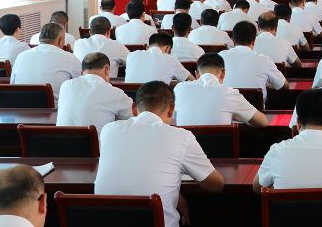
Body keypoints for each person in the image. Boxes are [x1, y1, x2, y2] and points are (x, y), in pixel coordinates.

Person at [95, 81, 225, 227]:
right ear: (171, 109)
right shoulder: (181, 137)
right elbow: (216, 185)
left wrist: (176, 195)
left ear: (134, 109)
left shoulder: (108, 130)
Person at [174, 53, 268, 127]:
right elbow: (263, 122)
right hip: (220, 146)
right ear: (223, 73)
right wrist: (238, 116)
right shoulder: (230, 94)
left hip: (185, 146)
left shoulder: (179, 89)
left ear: (197, 74)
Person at [57, 52, 133, 131]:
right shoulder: (115, 93)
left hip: (61, 139)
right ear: (107, 70)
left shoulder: (65, 86)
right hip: (98, 139)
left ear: (82, 73)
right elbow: (136, 116)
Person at [11, 23, 81, 104]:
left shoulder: (21, 56)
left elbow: (12, 84)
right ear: (60, 41)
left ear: (40, 38)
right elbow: (81, 85)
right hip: (56, 110)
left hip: (21, 108)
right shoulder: (70, 58)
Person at [219, 21, 287, 97]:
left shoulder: (220, 57)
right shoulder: (264, 60)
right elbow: (284, 86)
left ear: (233, 40)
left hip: (226, 103)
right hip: (256, 104)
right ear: (254, 41)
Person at [125, 33, 192, 84]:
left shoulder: (131, 55)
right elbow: (191, 80)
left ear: (147, 47)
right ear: (167, 48)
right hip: (157, 97)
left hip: (131, 96)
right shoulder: (170, 59)